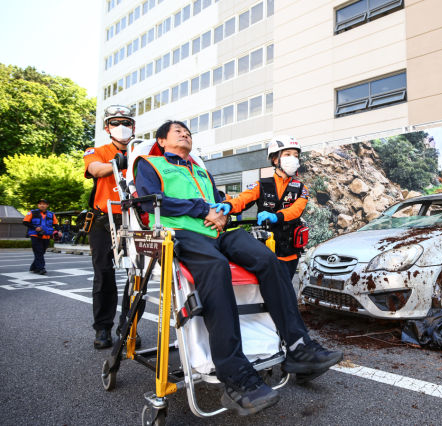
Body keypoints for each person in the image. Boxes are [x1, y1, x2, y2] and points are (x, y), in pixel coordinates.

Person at [134, 121, 343, 417]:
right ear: (162, 140)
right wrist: (202, 209)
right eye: (178, 131)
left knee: (269, 262)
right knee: (217, 268)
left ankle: (299, 346)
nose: (185, 134)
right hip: (182, 233)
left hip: (218, 233)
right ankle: (233, 375)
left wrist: (220, 208)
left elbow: (221, 201)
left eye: (188, 132)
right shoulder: (150, 164)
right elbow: (151, 202)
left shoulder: (200, 170)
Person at [83, 105, 136, 349]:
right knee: (103, 274)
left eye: (125, 122)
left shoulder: (140, 151)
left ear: (133, 127)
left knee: (136, 275)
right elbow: (94, 169)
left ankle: (127, 326)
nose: (121, 127)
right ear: (107, 128)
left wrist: (132, 160)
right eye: (115, 123)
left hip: (134, 218)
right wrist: (118, 163)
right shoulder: (98, 151)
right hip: (105, 219)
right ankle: (103, 328)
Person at [223, 136, 309, 278]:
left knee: (286, 288)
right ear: (275, 159)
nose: (293, 159)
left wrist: (277, 216)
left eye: (296, 155)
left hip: (291, 253)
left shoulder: (301, 188)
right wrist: (228, 205)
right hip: (266, 250)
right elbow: (243, 199)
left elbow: (297, 210)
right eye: (287, 154)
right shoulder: (261, 184)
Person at [23, 199, 58, 275]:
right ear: (38, 205)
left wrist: (60, 231)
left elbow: (55, 224)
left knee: (41, 252)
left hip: (46, 236)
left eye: (44, 204)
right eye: (40, 204)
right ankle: (41, 268)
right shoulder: (32, 213)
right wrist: (35, 227)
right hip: (35, 235)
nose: (42, 205)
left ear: (47, 205)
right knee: (38, 251)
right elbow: (25, 222)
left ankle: (33, 267)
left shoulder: (51, 214)